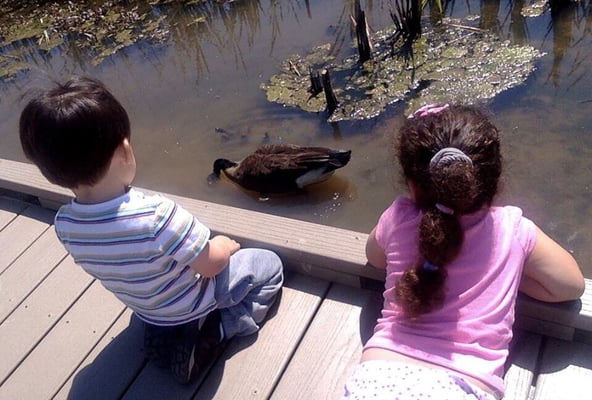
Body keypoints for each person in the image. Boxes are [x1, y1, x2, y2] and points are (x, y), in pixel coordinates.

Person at [18, 76, 284, 384]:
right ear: (125, 151)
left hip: (149, 308)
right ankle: (224, 326)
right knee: (269, 265)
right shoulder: (156, 215)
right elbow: (210, 265)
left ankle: (166, 332)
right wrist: (224, 245)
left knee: (163, 295)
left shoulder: (65, 224)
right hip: (195, 299)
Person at [342, 104, 585, 400]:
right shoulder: (512, 229)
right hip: (461, 386)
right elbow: (570, 287)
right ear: (492, 181)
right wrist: (510, 274)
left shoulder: (398, 218)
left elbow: (374, 257)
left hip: (377, 377)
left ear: (412, 185)